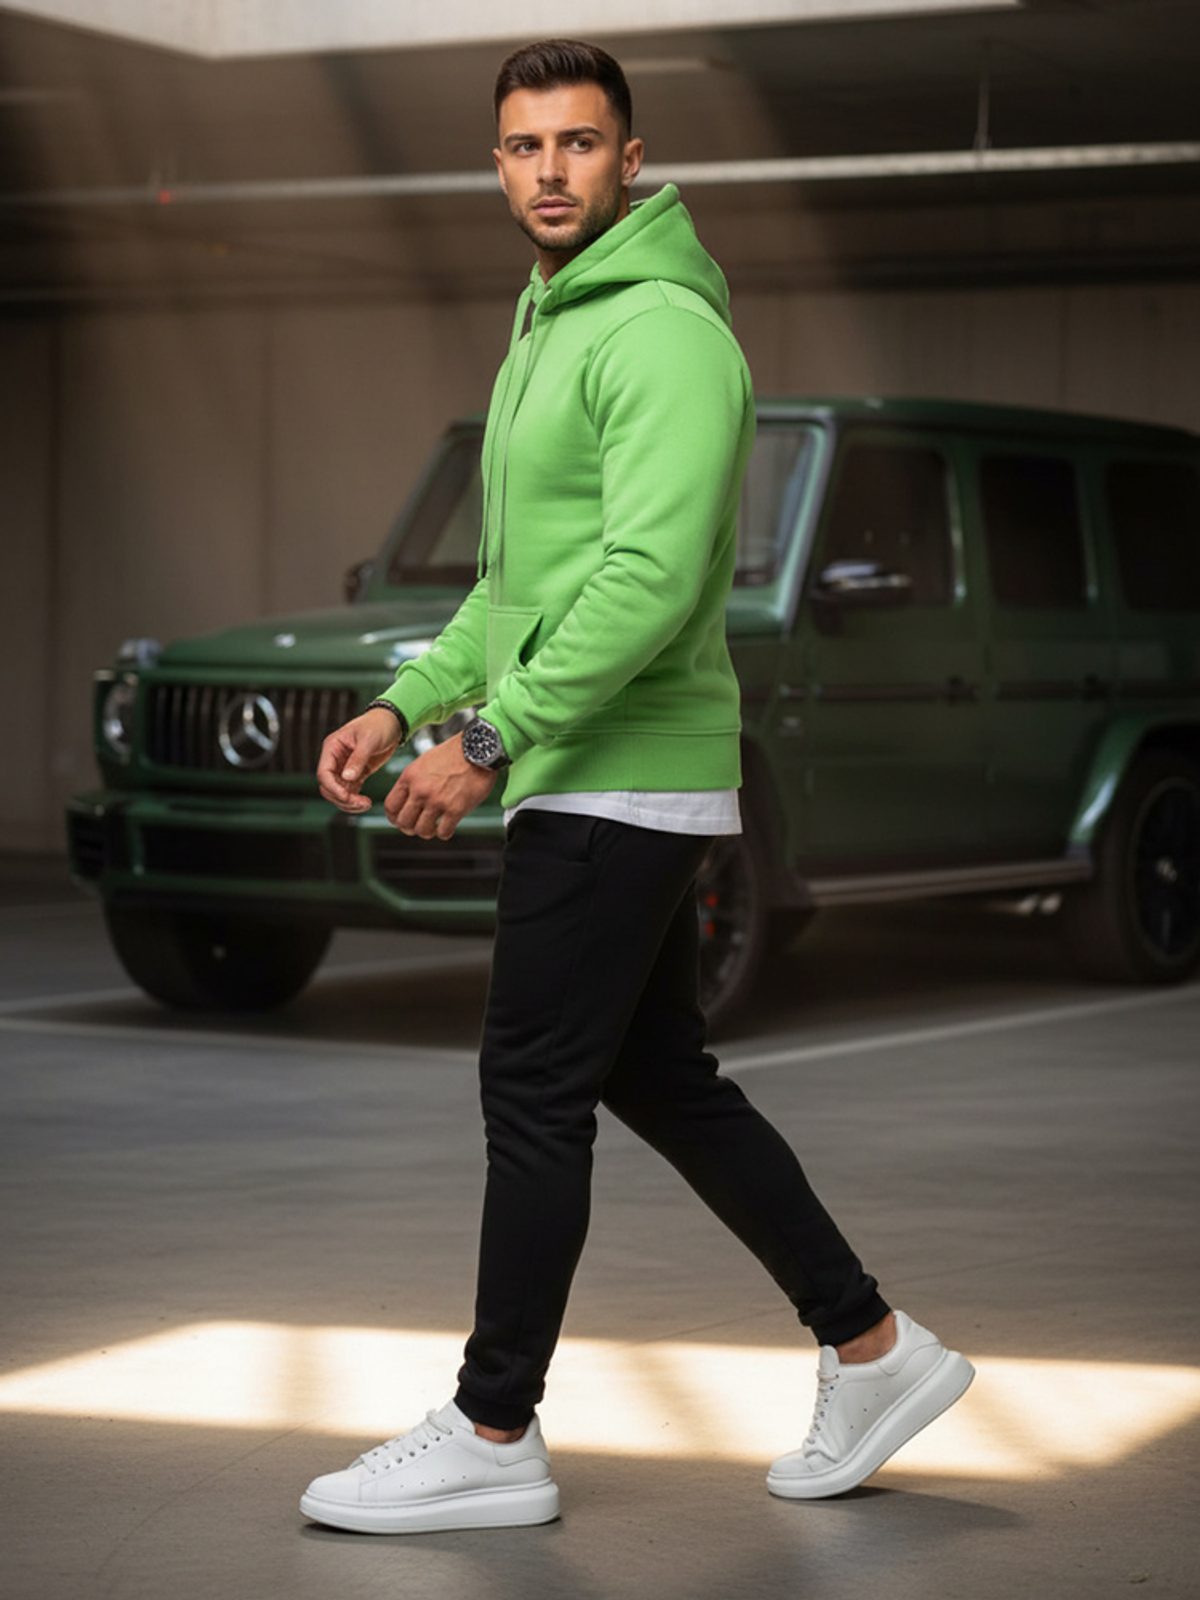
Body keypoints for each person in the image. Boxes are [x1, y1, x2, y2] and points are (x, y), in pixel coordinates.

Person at [305, 37, 973, 1536]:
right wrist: (405, 702)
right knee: (655, 1073)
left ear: (631, 156)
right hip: (593, 770)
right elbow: (514, 588)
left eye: (580, 142)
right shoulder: (548, 324)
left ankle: (493, 1427)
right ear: (497, 163)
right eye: (524, 145)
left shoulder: (662, 329)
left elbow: (653, 580)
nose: (551, 170)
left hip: (619, 776)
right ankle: (875, 1348)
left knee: (533, 1090)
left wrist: (487, 741)